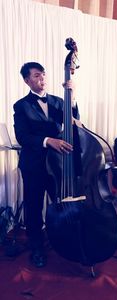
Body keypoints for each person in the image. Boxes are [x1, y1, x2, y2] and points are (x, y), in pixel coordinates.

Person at [13, 62, 79, 268]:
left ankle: (63, 240)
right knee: (33, 206)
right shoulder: (21, 105)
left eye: (43, 75)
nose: (41, 79)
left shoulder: (59, 102)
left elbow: (74, 123)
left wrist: (72, 97)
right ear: (27, 80)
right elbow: (23, 136)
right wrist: (48, 140)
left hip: (58, 165)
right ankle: (37, 247)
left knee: (60, 203)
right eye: (36, 76)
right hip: (34, 164)